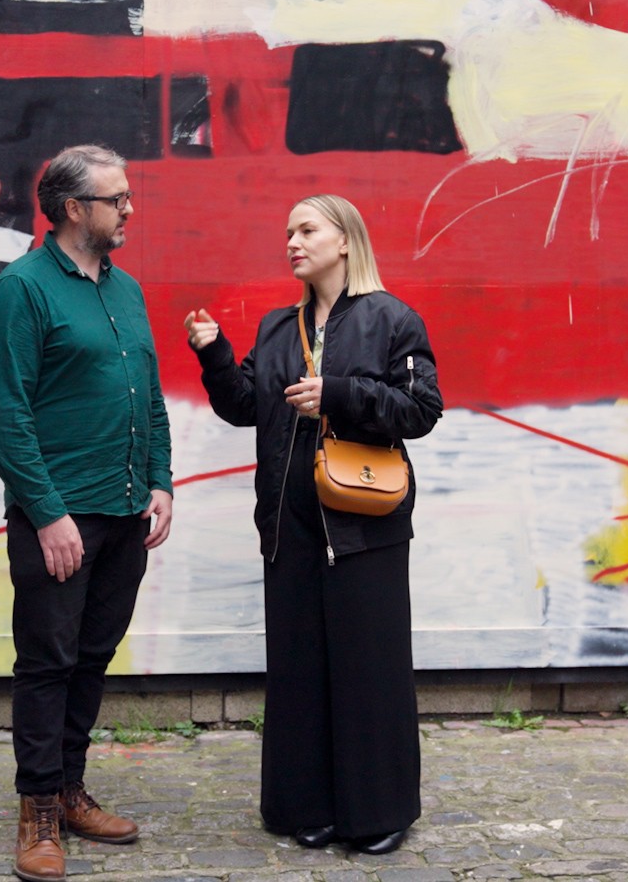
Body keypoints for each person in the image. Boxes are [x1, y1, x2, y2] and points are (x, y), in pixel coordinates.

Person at [183, 193, 441, 855]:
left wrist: (340, 393)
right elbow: (245, 406)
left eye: (306, 229)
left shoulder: (391, 319)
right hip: (288, 527)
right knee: (299, 671)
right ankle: (308, 806)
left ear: (346, 240)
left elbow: (422, 408)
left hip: (364, 526)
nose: (293, 241)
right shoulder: (277, 329)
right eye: (288, 231)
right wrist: (214, 353)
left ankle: (378, 812)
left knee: (370, 669)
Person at [0, 144, 175, 882]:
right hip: (59, 518)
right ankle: (36, 810)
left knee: (90, 659)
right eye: (115, 199)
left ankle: (67, 790)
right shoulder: (22, 290)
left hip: (125, 512)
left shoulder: (126, 291)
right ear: (70, 210)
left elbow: (146, 395)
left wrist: (160, 480)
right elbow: (6, 415)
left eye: (127, 197)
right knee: (47, 663)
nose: (129, 209)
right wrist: (47, 513)